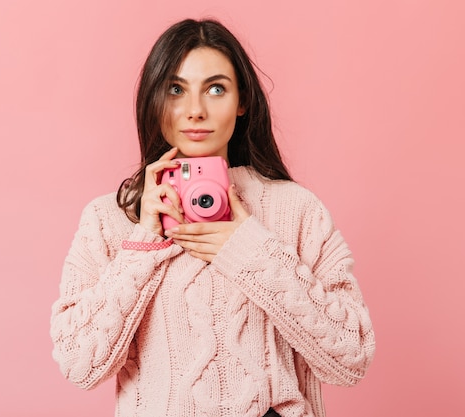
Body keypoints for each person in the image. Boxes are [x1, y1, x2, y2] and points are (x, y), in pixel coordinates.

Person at [50, 18, 375, 417]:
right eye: (175, 89)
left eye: (216, 88)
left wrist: (252, 250)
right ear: (154, 99)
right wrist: (144, 241)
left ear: (242, 102)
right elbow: (78, 364)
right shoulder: (109, 219)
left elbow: (352, 357)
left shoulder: (296, 210)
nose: (195, 111)